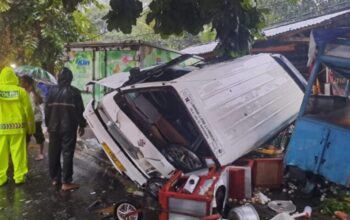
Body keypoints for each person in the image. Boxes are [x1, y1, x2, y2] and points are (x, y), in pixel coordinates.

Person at [45, 67, 86, 191]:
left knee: (53, 153)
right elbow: (80, 111)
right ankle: (66, 182)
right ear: (70, 78)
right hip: (69, 127)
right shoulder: (75, 92)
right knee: (67, 153)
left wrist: (48, 125)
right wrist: (82, 125)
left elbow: (46, 110)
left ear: (58, 78)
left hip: (53, 127)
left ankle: (55, 179)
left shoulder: (51, 91)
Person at [0, 67, 35, 186]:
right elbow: (29, 112)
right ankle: (19, 177)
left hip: (1, 130)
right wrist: (31, 129)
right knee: (18, 153)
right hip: (18, 129)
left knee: (1, 154)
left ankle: (1, 178)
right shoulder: (21, 92)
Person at [20, 75, 45, 160]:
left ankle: (41, 153)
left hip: (36, 118)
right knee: (26, 137)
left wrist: (33, 91)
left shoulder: (36, 90)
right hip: (25, 119)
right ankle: (24, 154)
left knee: (39, 136)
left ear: (27, 83)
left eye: (22, 81)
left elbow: (40, 101)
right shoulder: (21, 91)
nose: (21, 83)